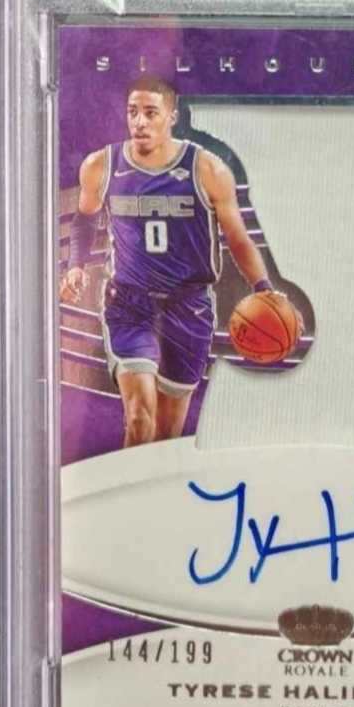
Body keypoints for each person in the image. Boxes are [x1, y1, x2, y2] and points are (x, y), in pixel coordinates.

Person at [60, 75, 275, 445]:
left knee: (166, 434)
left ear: (171, 117)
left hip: (188, 305)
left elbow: (237, 237)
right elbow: (86, 217)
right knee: (139, 417)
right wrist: (75, 265)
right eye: (133, 112)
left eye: (150, 113)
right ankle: (131, 483)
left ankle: (153, 483)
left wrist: (264, 287)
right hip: (129, 303)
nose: (139, 122)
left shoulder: (207, 169)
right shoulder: (102, 165)